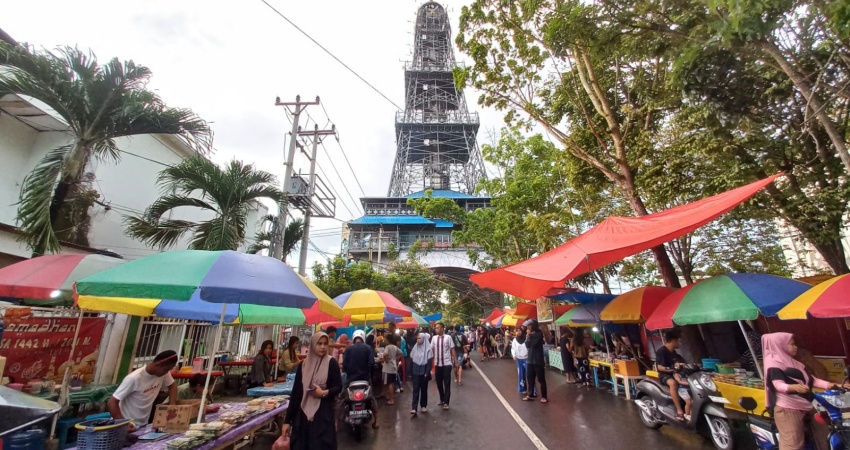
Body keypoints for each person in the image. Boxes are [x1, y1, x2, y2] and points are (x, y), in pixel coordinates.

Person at [763, 333, 848, 450]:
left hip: (806, 403)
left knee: (824, 432)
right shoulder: (773, 362)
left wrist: (832, 385)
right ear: (780, 345)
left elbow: (812, 380)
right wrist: (792, 387)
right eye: (792, 344)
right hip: (788, 409)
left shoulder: (794, 362)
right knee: (793, 443)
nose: (795, 347)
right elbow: (777, 384)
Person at [275, 332, 342, 450]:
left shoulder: (331, 363)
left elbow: (338, 387)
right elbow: (296, 393)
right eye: (319, 344)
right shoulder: (304, 366)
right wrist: (287, 421)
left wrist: (323, 393)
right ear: (312, 345)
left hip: (323, 415)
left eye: (325, 344)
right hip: (302, 415)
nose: (322, 347)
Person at [108, 350, 178, 431]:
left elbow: (172, 386)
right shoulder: (134, 378)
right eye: (166, 370)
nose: (167, 372)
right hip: (126, 425)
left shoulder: (163, 374)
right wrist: (123, 424)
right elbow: (112, 402)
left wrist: (172, 405)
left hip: (143, 425)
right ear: (158, 364)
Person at [341, 330, 379, 430]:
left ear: (354, 338)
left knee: (342, 399)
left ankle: (336, 423)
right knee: (372, 398)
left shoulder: (348, 349)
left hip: (350, 380)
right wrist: (369, 373)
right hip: (365, 379)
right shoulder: (368, 348)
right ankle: (376, 421)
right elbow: (371, 363)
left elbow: (344, 366)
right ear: (363, 337)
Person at [655, 330, 687, 421]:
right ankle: (679, 411)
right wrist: (671, 369)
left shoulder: (674, 353)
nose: (680, 343)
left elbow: (680, 362)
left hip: (675, 373)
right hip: (664, 375)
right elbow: (660, 367)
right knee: (673, 383)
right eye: (679, 341)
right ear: (673, 341)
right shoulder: (661, 351)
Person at [430, 322, 457, 410]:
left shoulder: (448, 338)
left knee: (447, 383)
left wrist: (456, 362)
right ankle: (442, 398)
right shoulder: (434, 338)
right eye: (435, 328)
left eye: (438, 328)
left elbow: (452, 350)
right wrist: (431, 362)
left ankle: (446, 402)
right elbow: (432, 350)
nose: (436, 329)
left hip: (446, 364)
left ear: (442, 328)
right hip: (438, 364)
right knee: (438, 382)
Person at [523, 319, 548, 403]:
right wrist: (527, 336)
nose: (528, 327)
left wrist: (529, 335)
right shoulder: (530, 335)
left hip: (538, 360)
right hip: (530, 360)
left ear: (533, 326)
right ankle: (530, 394)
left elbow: (534, 343)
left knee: (541, 379)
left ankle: (544, 396)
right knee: (530, 378)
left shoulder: (539, 333)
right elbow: (527, 345)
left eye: (529, 325)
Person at [409, 332, 433, 415]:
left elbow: (429, 362)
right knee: (415, 390)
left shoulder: (428, 349)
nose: (418, 340)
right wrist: (410, 372)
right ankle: (414, 408)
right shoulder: (415, 348)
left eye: (419, 338)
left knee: (423, 390)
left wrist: (427, 372)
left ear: (423, 339)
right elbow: (411, 360)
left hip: (424, 372)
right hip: (416, 371)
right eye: (417, 338)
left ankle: (423, 406)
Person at [382, 334, 402, 406]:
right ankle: (392, 396)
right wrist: (394, 359)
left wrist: (385, 360)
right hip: (394, 367)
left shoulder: (387, 347)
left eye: (385, 339)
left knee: (389, 383)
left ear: (388, 340)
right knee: (393, 383)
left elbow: (385, 354)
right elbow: (401, 353)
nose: (384, 340)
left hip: (388, 368)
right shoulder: (394, 347)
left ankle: (391, 400)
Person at [512, 326, 531, 395]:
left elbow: (529, 347)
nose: (519, 332)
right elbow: (513, 348)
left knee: (529, 374)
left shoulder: (526, 338)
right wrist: (514, 355)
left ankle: (533, 390)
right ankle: (523, 389)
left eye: (520, 330)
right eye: (517, 330)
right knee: (521, 375)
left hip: (526, 358)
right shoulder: (515, 340)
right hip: (519, 359)